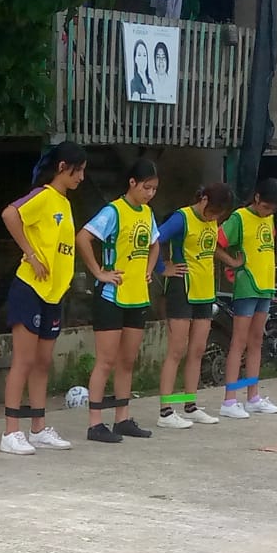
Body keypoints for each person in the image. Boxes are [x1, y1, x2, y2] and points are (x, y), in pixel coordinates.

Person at [0, 143, 86, 456]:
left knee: (43, 362)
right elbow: (10, 214)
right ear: (63, 167)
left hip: (53, 294)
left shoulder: (64, 202)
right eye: (78, 170)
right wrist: (31, 254)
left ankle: (38, 428)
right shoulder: (44, 195)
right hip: (30, 289)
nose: (82, 177)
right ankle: (11, 431)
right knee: (23, 360)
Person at [78, 158, 161, 443]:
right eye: (146, 187)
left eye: (154, 189)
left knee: (128, 360)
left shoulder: (147, 213)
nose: (150, 193)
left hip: (138, 297)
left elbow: (155, 244)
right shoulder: (113, 211)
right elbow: (83, 237)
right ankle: (95, 423)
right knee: (106, 361)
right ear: (132, 183)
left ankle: (122, 418)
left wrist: (149, 269)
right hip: (111, 297)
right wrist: (99, 272)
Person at [155, 182, 236, 428]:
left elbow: (211, 248)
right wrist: (162, 268)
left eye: (219, 215)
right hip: (182, 287)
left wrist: (232, 261)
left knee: (198, 349)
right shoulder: (182, 218)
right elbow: (154, 239)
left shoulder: (212, 221)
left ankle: (189, 405)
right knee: (176, 350)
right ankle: (166, 411)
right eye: (213, 212)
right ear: (204, 200)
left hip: (205, 291)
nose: (214, 218)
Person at [216, 177, 277, 416]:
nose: (268, 212)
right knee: (239, 341)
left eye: (272, 209)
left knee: (257, 341)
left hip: (265, 285)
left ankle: (253, 396)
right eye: (265, 206)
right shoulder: (239, 218)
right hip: (247, 286)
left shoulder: (268, 219)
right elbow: (216, 242)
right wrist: (232, 262)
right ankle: (229, 400)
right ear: (256, 198)